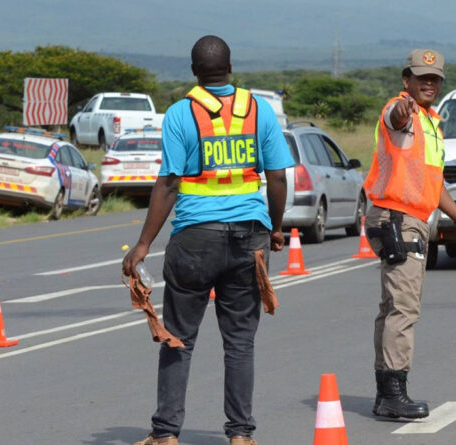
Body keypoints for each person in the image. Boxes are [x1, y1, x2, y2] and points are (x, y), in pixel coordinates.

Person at [122, 35, 294, 445]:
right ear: (231, 67)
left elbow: (168, 183)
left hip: (195, 240)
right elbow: (278, 177)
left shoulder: (181, 114)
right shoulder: (260, 111)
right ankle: (240, 435)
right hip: (249, 238)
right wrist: (274, 227)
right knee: (239, 342)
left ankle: (165, 434)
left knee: (178, 337)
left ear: (194, 71)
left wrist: (144, 244)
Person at [364, 49, 456, 419]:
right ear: (407, 80)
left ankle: (387, 392)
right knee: (403, 308)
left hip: (406, 217)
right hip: (397, 218)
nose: (428, 83)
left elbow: (433, 182)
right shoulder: (400, 110)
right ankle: (394, 394)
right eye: (421, 77)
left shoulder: (432, 122)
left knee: (391, 308)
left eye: (435, 79)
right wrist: (404, 110)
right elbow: (394, 118)